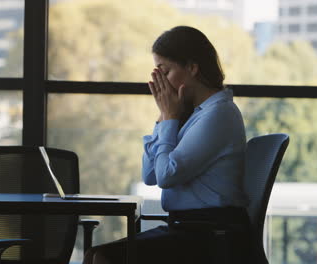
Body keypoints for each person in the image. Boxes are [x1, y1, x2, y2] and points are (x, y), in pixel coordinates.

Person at [83, 25, 252, 264]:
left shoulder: (219, 114)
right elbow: (150, 174)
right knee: (92, 255)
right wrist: (164, 118)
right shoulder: (193, 115)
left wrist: (170, 117)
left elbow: (165, 176)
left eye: (166, 71)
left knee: (103, 257)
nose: (160, 82)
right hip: (187, 228)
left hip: (212, 235)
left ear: (192, 68)